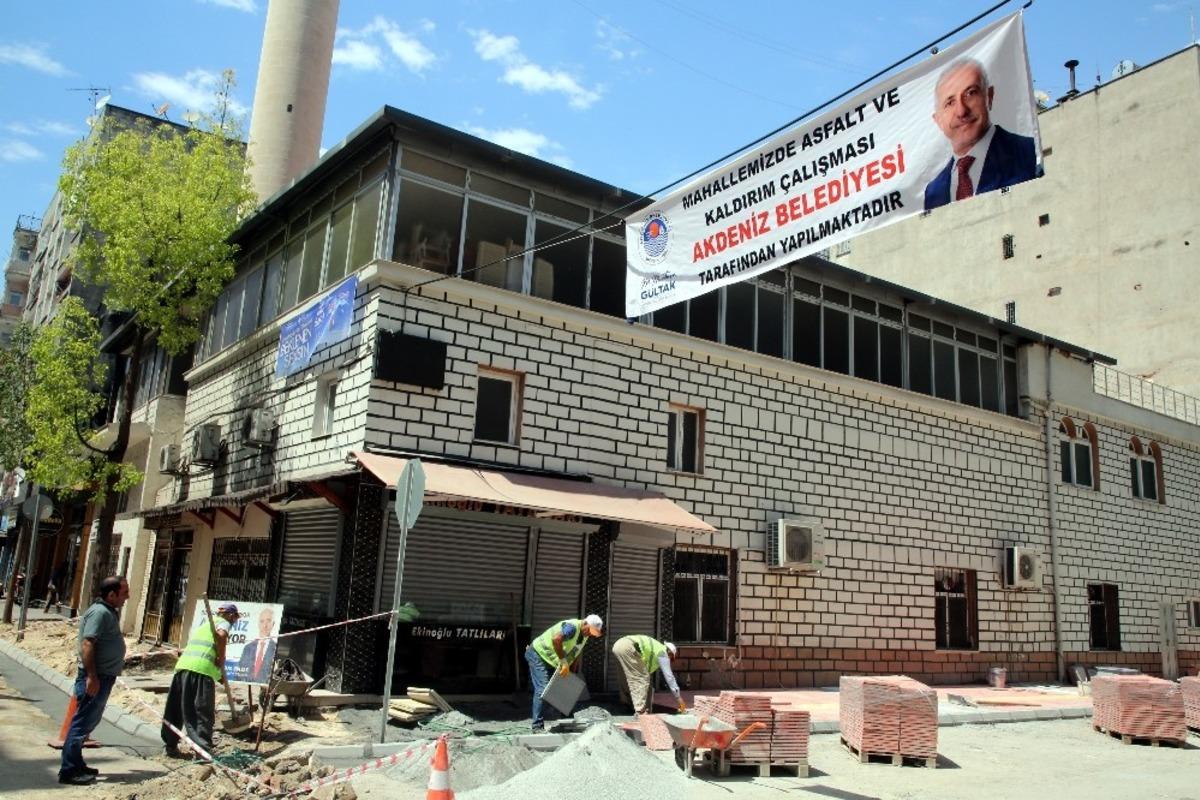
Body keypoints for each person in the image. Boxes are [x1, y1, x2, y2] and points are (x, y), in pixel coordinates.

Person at [924, 57, 1039, 211]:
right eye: (950, 103)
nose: (961, 111)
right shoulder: (934, 191)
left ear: (989, 96)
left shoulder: (1029, 152)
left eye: (970, 93)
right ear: (938, 120)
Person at [58, 576, 129, 786]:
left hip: (102, 677)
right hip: (96, 678)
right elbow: (88, 644)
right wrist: (91, 676)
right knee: (81, 723)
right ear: (111, 594)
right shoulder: (99, 613)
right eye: (124, 593)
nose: (127, 597)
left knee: (88, 722)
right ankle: (69, 771)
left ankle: (77, 763)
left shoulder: (107, 612)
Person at [162, 602, 239, 758]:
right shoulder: (224, 622)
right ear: (231, 615)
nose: (235, 621)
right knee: (200, 711)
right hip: (200, 672)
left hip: (183, 667)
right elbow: (222, 636)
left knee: (175, 709)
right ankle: (202, 751)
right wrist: (221, 657)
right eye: (235, 618)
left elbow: (205, 650)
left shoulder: (205, 626)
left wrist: (220, 677)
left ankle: (170, 746)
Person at [525, 614, 604, 731]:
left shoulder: (584, 634)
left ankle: (567, 720)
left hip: (553, 660)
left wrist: (571, 673)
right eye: (590, 631)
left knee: (565, 686)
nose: (590, 634)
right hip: (538, 654)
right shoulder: (572, 627)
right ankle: (537, 726)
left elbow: (576, 652)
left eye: (593, 633)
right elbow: (556, 639)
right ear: (585, 623)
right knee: (543, 689)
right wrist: (563, 661)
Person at [611, 635, 685, 715]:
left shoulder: (654, 649)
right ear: (669, 652)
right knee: (641, 678)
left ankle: (628, 704)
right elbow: (669, 677)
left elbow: (645, 672)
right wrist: (679, 698)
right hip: (628, 647)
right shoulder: (662, 652)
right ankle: (640, 711)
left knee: (628, 677)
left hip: (618, 645)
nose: (669, 660)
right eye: (671, 658)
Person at [235, 606, 277, 683]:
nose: (265, 625)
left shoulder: (276, 648)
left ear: (273, 624)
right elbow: (239, 674)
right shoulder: (247, 648)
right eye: (262, 621)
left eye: (268, 621)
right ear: (258, 624)